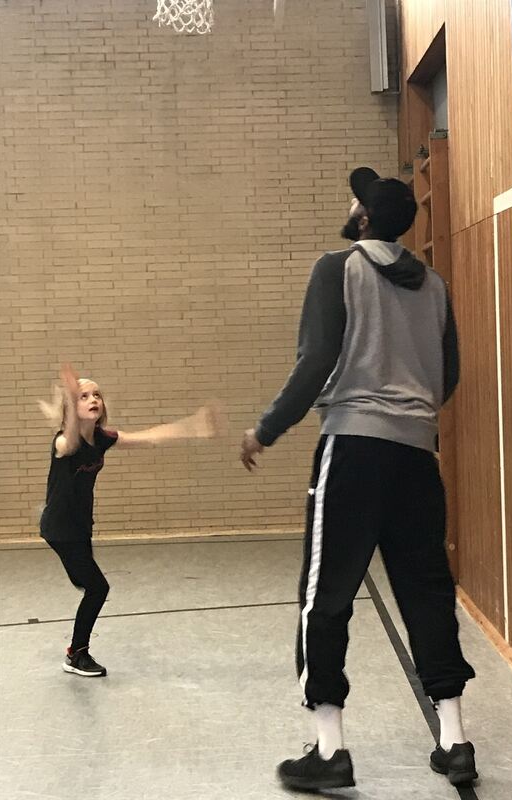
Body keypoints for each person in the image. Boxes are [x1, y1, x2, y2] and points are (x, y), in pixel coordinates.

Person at [240, 167, 476, 791]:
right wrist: (411, 408)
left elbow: (315, 360)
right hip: (416, 460)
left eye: (356, 200)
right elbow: (448, 374)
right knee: (428, 592)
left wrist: (265, 428)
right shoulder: (437, 287)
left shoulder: (336, 268)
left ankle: (329, 750)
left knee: (325, 597)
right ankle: (454, 741)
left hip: (352, 451)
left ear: (365, 220)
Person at [39, 364, 219, 677]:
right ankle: (76, 654)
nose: (93, 399)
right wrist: (68, 401)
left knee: (86, 584)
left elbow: (147, 438)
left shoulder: (102, 438)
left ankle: (77, 640)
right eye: (83, 396)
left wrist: (191, 427)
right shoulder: (63, 442)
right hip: (60, 529)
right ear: (72, 407)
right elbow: (69, 439)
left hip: (80, 527)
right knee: (97, 588)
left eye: (97, 394)